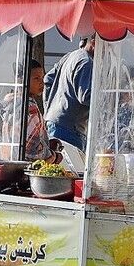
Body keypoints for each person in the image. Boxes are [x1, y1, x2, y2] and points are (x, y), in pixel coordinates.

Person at [43, 37, 95, 171]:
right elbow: (86, 96)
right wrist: (107, 99)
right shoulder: (87, 62)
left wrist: (49, 108)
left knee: (58, 170)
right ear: (94, 42)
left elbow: (48, 80)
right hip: (69, 128)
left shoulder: (71, 56)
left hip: (56, 122)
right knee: (71, 173)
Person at [1, 59, 62, 163]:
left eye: (42, 78)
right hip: (25, 168)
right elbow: (29, 151)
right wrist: (53, 156)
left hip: (8, 162)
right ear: (21, 80)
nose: (41, 82)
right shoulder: (29, 108)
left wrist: (46, 143)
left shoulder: (12, 104)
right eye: (36, 78)